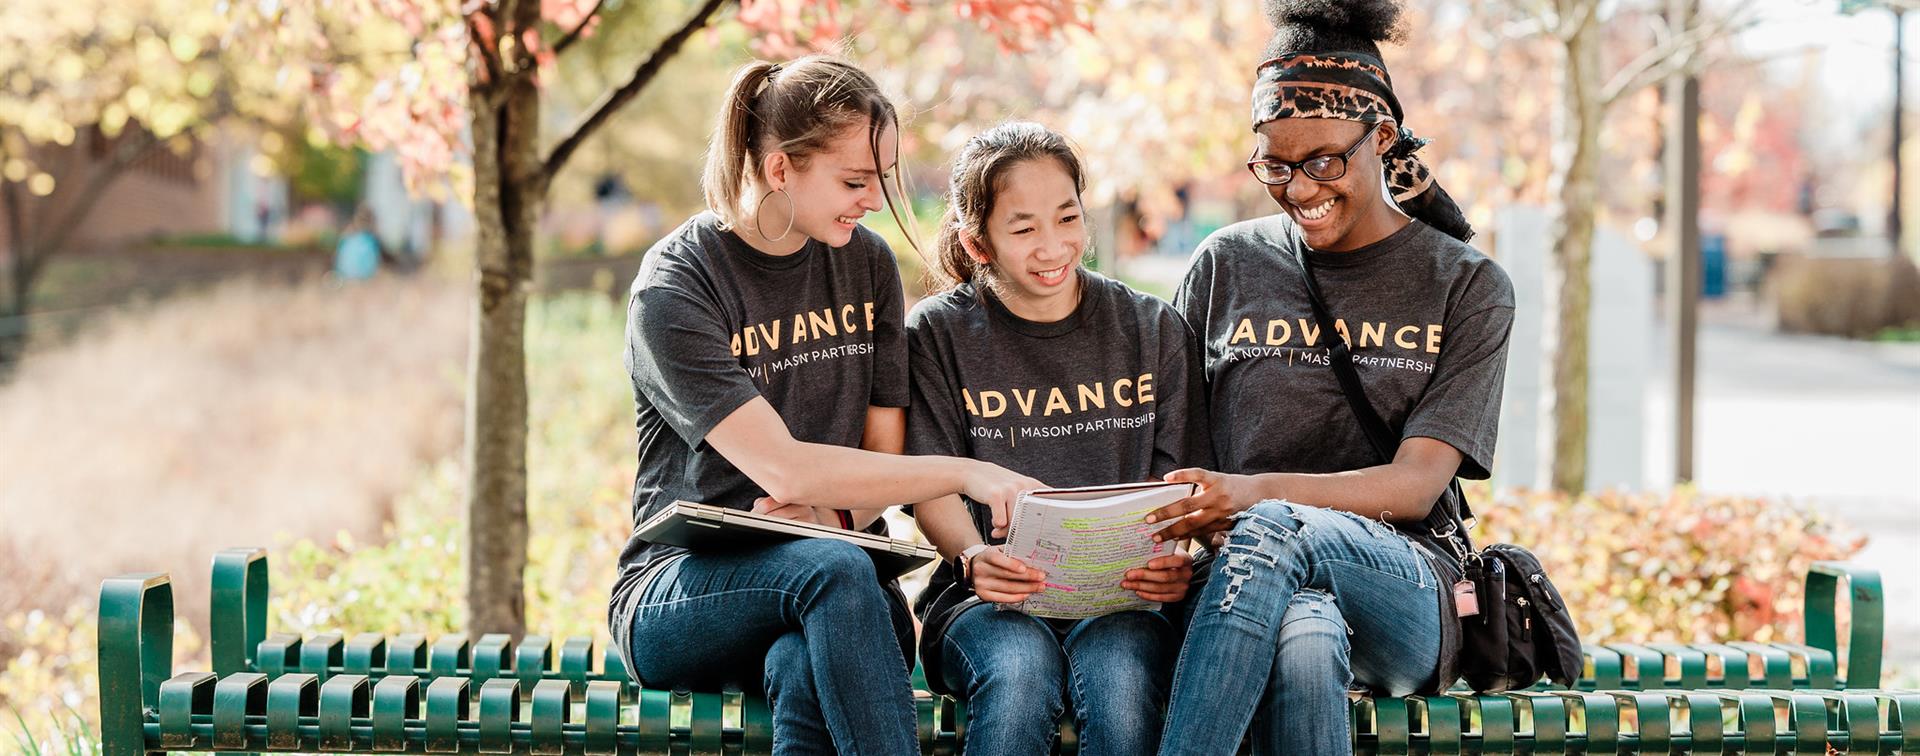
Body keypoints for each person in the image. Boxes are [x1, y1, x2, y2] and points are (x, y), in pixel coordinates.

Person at [609, 55, 1039, 756]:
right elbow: (786, 471)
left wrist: (829, 516)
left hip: (838, 592)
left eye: (882, 178)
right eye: (854, 180)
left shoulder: (865, 265)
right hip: (684, 596)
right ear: (780, 169)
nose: (874, 199)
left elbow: (879, 459)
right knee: (832, 572)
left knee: (802, 664)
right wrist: (961, 473)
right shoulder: (676, 288)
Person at [1144, 1, 1516, 753]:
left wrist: (1251, 495)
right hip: (1239, 592)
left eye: (1323, 162)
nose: (1299, 188)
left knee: (1276, 526)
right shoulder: (1225, 265)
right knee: (1306, 636)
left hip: (1406, 582)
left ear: (1381, 137)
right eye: (1275, 166)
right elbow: (1172, 452)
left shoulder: (1466, 285)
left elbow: (1414, 486)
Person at [906, 121, 1212, 755]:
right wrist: (971, 558)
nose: (1053, 246)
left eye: (1067, 217)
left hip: (1126, 602)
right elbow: (930, 487)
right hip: (985, 601)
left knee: (1122, 680)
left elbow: (1181, 488)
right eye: (1023, 229)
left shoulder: (1150, 327)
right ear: (978, 242)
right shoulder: (938, 334)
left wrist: (1176, 562)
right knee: (1018, 673)